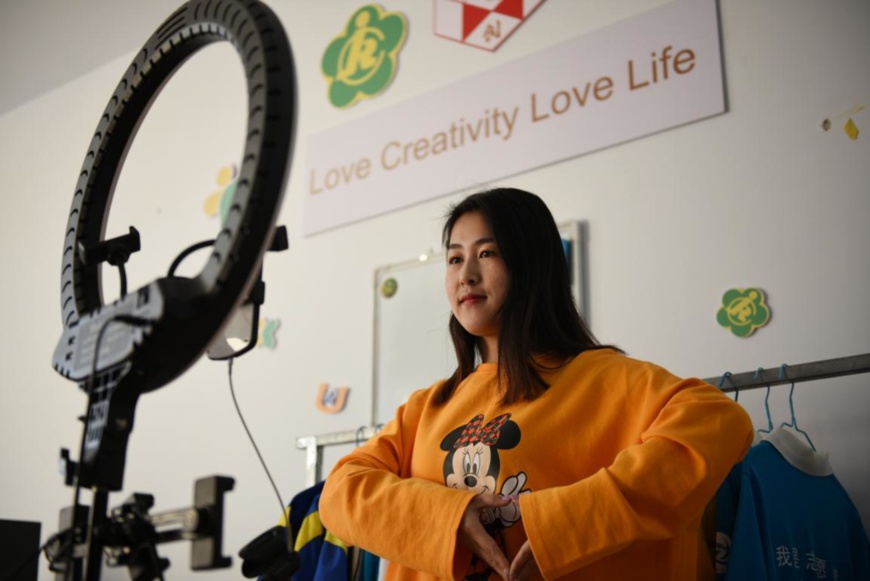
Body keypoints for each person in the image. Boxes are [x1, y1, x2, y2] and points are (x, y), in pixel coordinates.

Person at [320, 187, 754, 580]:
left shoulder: (606, 378)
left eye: (486, 254)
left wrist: (566, 524)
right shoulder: (427, 406)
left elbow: (721, 422)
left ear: (531, 261)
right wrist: (452, 516)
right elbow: (340, 493)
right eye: (454, 258)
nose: (465, 274)